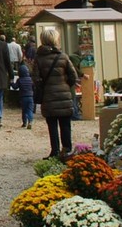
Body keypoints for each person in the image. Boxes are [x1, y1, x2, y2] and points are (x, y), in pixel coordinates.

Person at [34, 28, 80, 158]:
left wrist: (45, 86)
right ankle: (67, 150)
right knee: (65, 124)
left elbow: (36, 79)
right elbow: (73, 76)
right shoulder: (63, 56)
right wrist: (65, 86)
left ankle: (54, 151)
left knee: (52, 125)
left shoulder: (39, 58)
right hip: (64, 95)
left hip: (48, 96)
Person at [16, 63, 35, 129]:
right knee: (30, 110)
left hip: (23, 97)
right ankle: (30, 121)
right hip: (30, 97)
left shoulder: (19, 80)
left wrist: (11, 83)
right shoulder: (31, 80)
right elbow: (34, 87)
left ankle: (24, 123)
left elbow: (15, 87)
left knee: (24, 111)